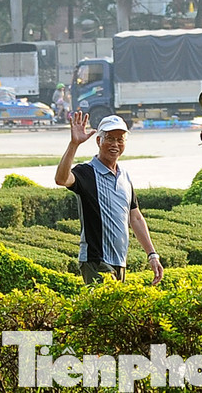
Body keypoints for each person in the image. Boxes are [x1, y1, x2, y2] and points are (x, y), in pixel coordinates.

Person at [54, 111, 163, 284]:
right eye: (110, 138)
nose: (115, 144)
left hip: (120, 261)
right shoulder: (86, 172)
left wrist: (152, 255)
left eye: (120, 139)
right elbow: (61, 179)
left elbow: (134, 217)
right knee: (104, 310)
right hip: (96, 261)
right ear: (99, 141)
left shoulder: (124, 176)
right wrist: (74, 144)